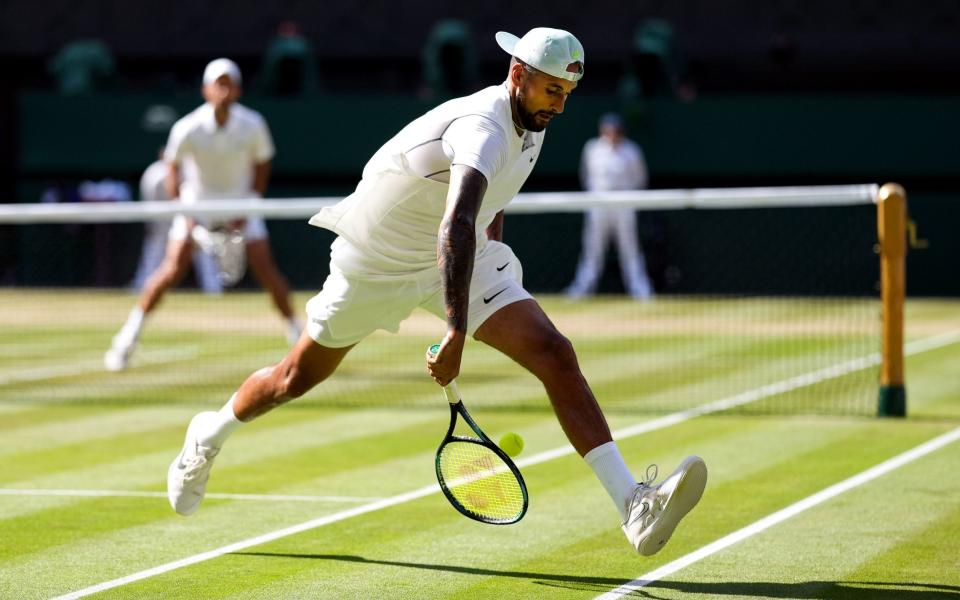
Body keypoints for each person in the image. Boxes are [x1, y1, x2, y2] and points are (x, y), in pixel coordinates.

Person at [166, 29, 706, 557]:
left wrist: (492, 281)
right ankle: (208, 435)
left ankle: (633, 505)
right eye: (551, 90)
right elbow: (457, 223)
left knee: (554, 352)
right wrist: (455, 329)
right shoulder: (483, 127)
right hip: (376, 263)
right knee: (294, 378)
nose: (559, 105)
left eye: (566, 93)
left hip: (455, 256)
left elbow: (486, 210)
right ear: (517, 74)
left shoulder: (533, 122)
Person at [104, 58, 300, 372]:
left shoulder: (253, 124)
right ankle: (126, 341)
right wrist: (186, 209)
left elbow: (262, 166)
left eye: (229, 83)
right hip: (197, 206)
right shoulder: (187, 127)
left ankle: (296, 335)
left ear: (237, 89)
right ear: (206, 89)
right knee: (169, 271)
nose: (223, 89)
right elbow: (172, 167)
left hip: (241, 206)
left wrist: (249, 206)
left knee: (266, 271)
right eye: (218, 83)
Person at [565, 112, 655, 300]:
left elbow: (640, 179)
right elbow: (586, 176)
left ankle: (641, 292)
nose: (611, 133)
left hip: (624, 205)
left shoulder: (632, 150)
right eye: (607, 129)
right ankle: (582, 290)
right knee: (592, 249)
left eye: (614, 129)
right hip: (597, 205)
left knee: (629, 249)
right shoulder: (592, 148)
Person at [130, 157, 222, 294]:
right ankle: (141, 286)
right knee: (156, 254)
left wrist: (192, 221)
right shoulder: (155, 174)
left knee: (203, 250)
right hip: (165, 221)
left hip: (191, 219)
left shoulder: (191, 171)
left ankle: (213, 288)